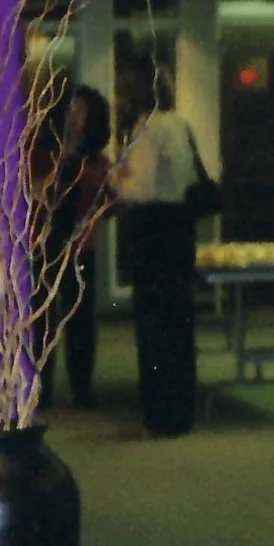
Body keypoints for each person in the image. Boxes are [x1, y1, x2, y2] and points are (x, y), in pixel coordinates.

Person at [110, 72, 203, 438]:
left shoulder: (147, 129)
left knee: (153, 330)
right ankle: (181, 414)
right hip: (181, 230)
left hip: (154, 231)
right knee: (179, 327)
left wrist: (116, 180)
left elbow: (142, 189)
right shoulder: (180, 124)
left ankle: (157, 418)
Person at [40, 85, 115, 410]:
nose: (74, 117)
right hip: (42, 246)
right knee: (41, 321)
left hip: (80, 247)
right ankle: (40, 391)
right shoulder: (43, 153)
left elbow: (110, 203)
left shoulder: (97, 162)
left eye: (82, 111)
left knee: (80, 320)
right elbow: (34, 194)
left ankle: (82, 389)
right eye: (71, 109)